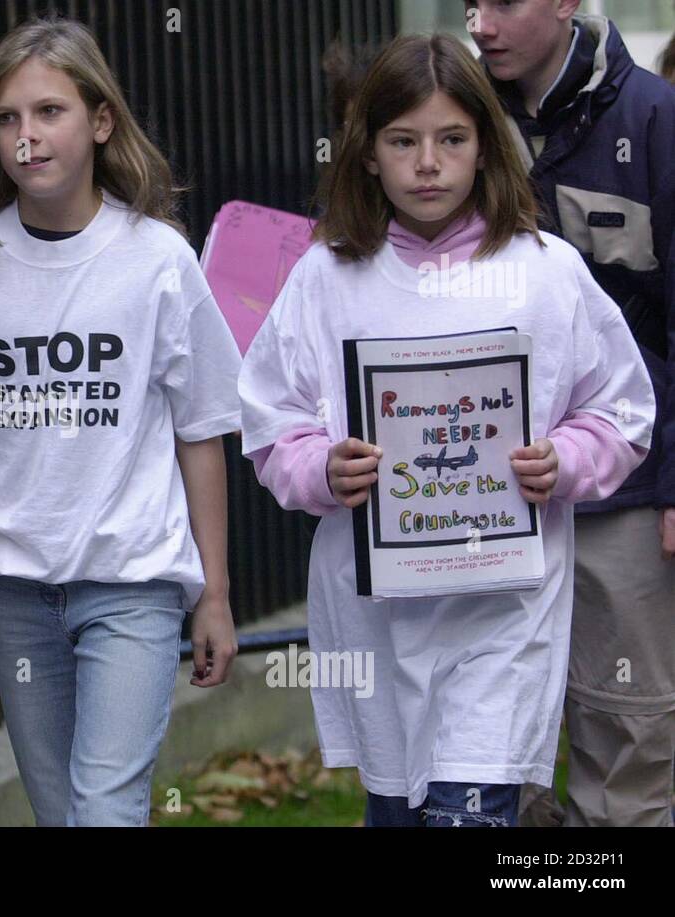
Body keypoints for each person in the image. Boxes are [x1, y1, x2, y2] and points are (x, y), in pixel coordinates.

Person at [237, 32, 654, 826]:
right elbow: (269, 421)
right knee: (397, 812)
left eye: (451, 139)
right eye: (403, 141)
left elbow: (623, 408)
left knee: (472, 810)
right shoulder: (325, 277)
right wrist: (321, 468)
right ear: (366, 154)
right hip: (376, 614)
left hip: (504, 608)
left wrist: (564, 459)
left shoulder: (544, 271)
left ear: (484, 147)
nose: (427, 163)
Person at [0, 16, 242, 826]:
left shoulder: (157, 260)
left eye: (49, 112)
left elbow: (202, 432)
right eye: (8, 119)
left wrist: (213, 592)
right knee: (63, 814)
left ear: (100, 121)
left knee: (105, 808)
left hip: (133, 583)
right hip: (15, 591)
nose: (27, 137)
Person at [468, 0, 675, 827]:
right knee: (484, 750)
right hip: (476, 496)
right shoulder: (450, 118)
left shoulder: (656, 121)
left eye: (504, 2)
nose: (480, 23)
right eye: (471, 2)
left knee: (626, 740)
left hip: (625, 492)